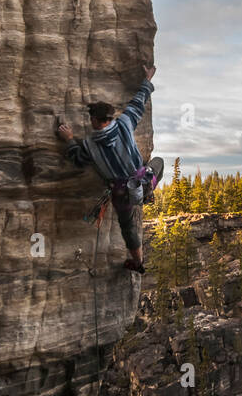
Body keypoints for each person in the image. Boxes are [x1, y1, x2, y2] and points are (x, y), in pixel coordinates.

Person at [57, 65, 163, 274]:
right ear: (110, 117)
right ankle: (149, 188)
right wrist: (147, 79)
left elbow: (78, 160)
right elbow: (137, 103)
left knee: (128, 227)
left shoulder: (89, 145)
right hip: (140, 179)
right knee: (158, 162)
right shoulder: (124, 123)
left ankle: (138, 261)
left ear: (95, 120)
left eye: (91, 119)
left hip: (120, 192)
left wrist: (69, 140)